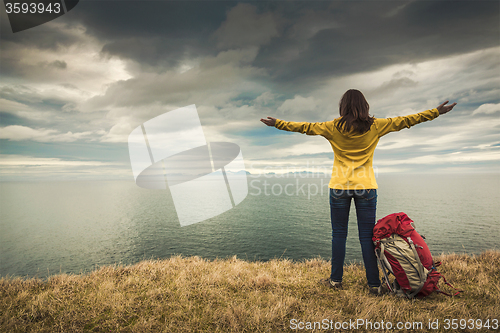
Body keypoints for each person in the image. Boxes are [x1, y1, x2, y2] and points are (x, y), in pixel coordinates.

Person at [260, 89, 456, 295]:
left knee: (339, 235)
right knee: (366, 237)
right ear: (365, 106)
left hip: (339, 188)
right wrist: (435, 112)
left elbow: (305, 127)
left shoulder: (332, 127)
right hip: (366, 187)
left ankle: (335, 281)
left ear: (342, 107)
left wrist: (278, 123)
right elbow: (406, 120)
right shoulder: (376, 126)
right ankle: (373, 285)